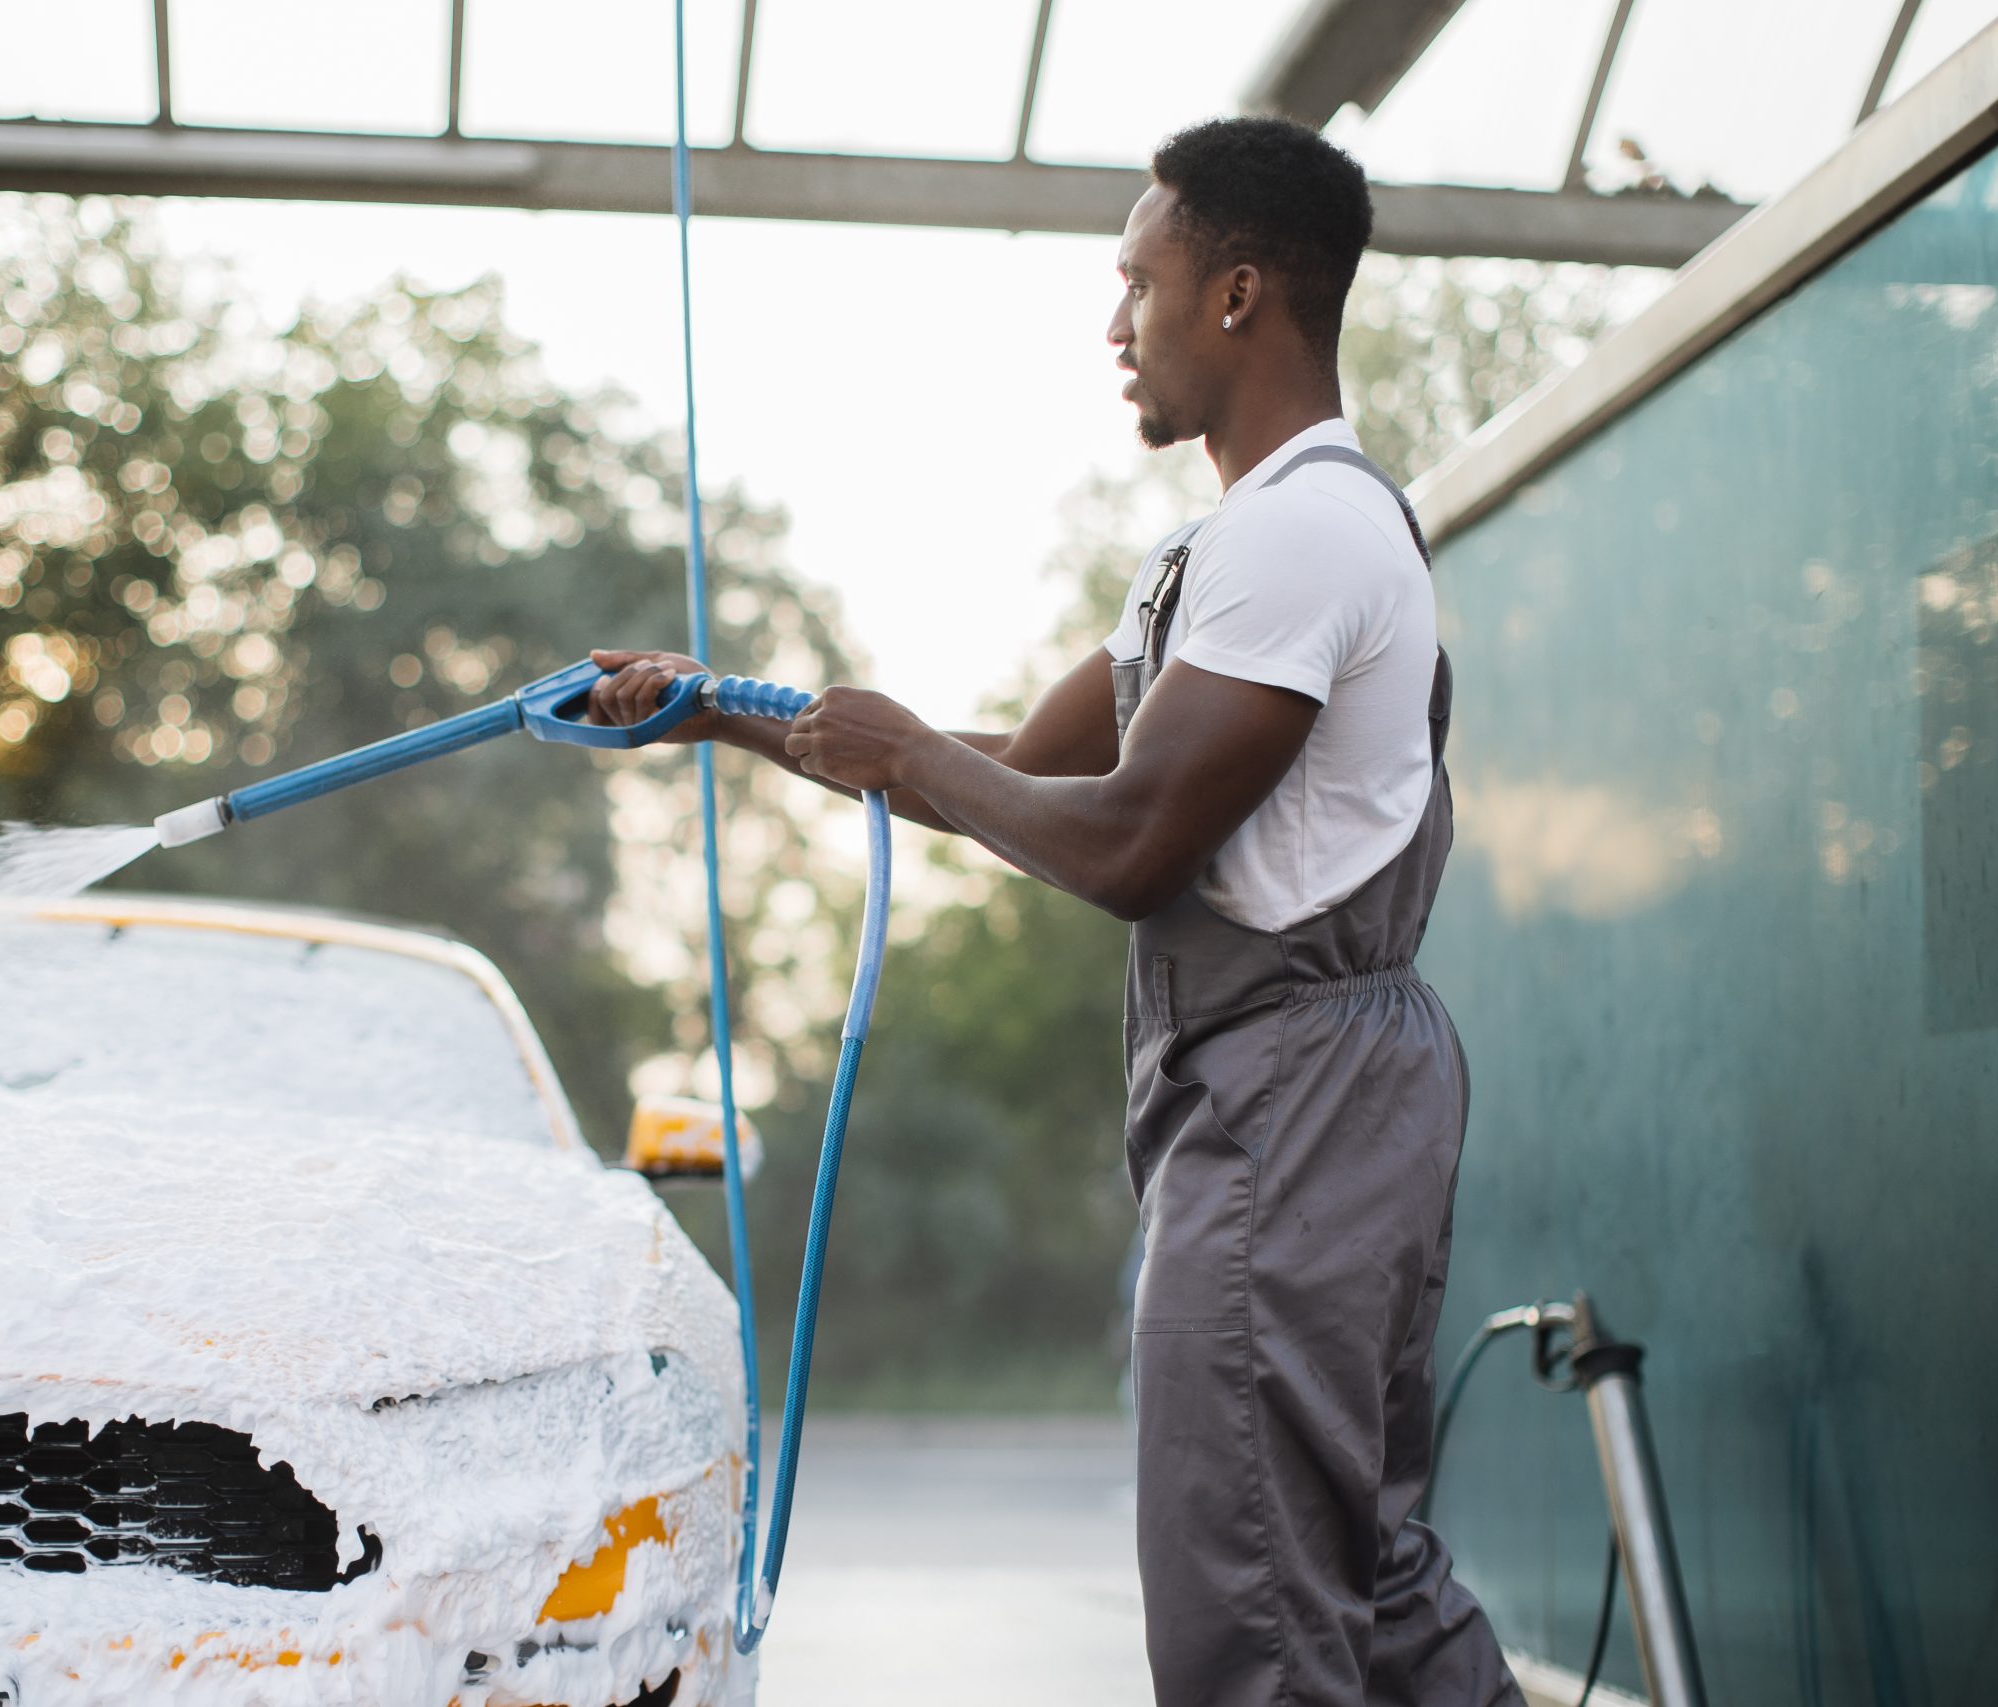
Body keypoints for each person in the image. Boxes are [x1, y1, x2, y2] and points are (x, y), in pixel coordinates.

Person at [588, 116, 1521, 1707]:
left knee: (1256, 1607)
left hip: (1292, 1100)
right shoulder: (1209, 555)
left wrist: (915, 753)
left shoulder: (1306, 531)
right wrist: (717, 713)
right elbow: (1017, 770)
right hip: (1300, 1097)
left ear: (1235, 296)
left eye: (1136, 285)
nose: (1115, 329)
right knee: (1361, 1578)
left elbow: (1131, 845)